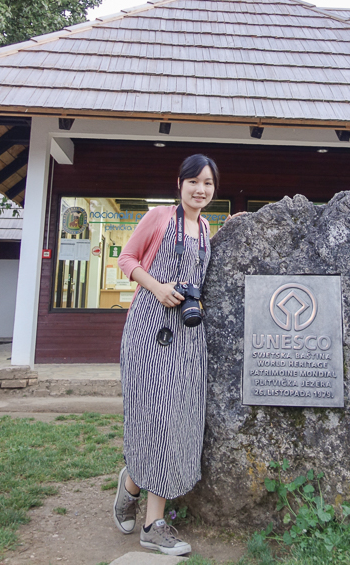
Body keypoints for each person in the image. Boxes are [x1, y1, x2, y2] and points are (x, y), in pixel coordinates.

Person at [113, 153, 218, 556]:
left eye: (208, 183)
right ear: (180, 183)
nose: (201, 190)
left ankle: (132, 487)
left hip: (188, 335)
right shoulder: (158, 217)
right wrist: (158, 288)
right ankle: (152, 524)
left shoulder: (207, 228)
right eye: (194, 181)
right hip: (148, 330)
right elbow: (126, 259)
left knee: (175, 419)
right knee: (153, 416)